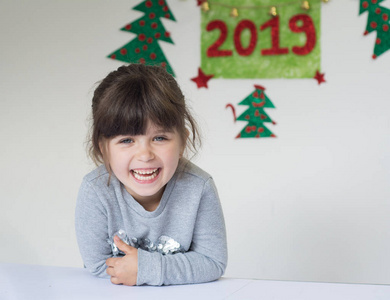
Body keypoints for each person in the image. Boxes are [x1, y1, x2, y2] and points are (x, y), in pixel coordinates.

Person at [75, 64, 227, 286]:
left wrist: (147, 269)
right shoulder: (95, 190)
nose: (145, 155)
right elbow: (97, 265)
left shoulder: (199, 187)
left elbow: (213, 262)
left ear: (183, 141)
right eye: (127, 140)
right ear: (103, 148)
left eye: (160, 138)